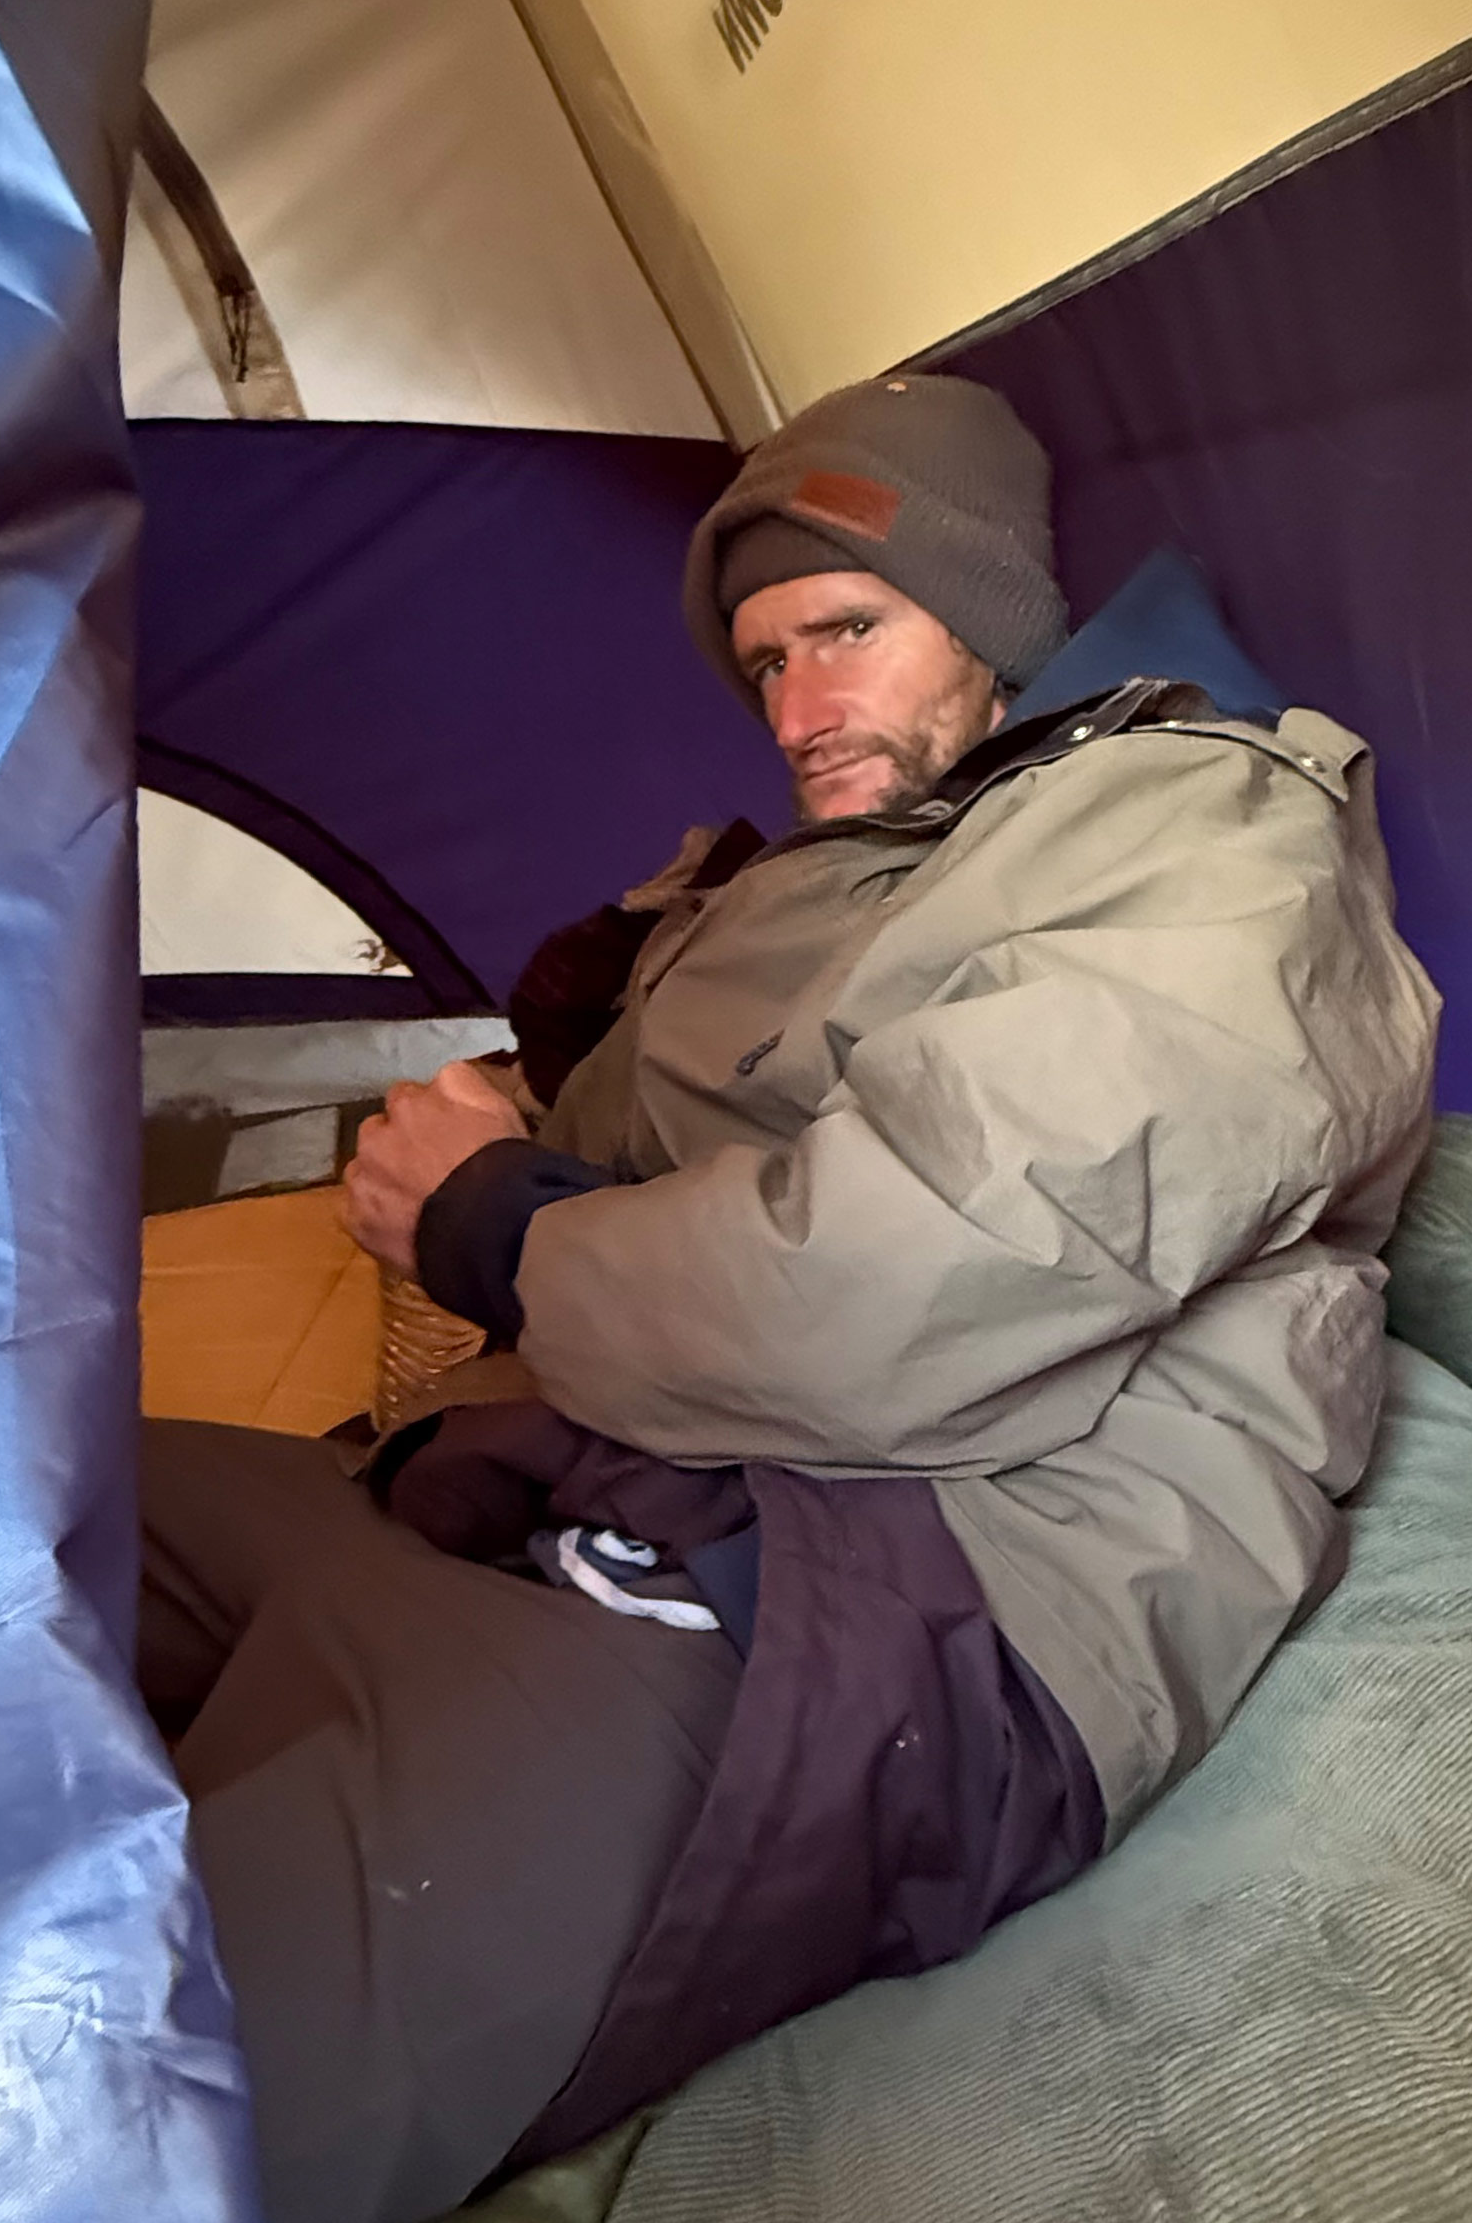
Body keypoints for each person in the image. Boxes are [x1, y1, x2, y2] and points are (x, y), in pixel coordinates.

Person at [139, 376, 1438, 2223]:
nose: (801, 710)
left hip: (870, 1615)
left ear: (994, 622)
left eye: (848, 630)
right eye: (765, 666)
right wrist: (540, 1092)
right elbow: (654, 1150)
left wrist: (495, 1226)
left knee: (111, 2101)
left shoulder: (1207, 835)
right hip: (550, 1484)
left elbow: (902, 1280)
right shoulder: (859, 862)